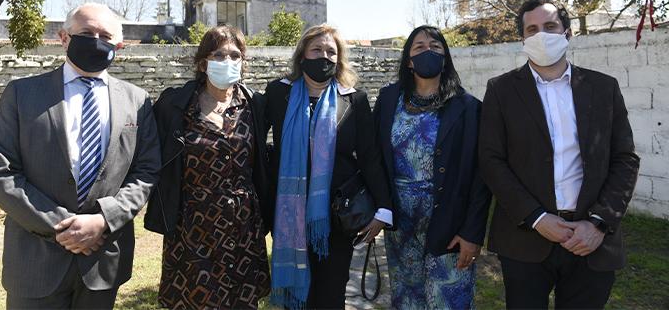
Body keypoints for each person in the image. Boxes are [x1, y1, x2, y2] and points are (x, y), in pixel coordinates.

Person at [0, 2, 161, 309]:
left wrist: (103, 220)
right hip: (35, 261)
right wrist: (64, 226)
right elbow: (0, 174)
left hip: (102, 261)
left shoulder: (137, 101)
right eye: (86, 32)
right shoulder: (21, 94)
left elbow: (146, 171)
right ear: (63, 37)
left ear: (118, 45)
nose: (96, 40)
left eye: (105, 35)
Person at [479, 0, 640, 309]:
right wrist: (537, 218)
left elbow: (624, 158)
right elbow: (491, 160)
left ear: (567, 33)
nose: (542, 35)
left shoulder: (603, 87)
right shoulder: (501, 90)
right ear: (522, 39)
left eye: (550, 26)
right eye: (532, 29)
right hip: (525, 239)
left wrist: (598, 223)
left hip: (591, 241)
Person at [264, 24, 392, 309]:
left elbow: (369, 157)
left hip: (335, 218)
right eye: (317, 50)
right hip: (288, 215)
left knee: (331, 295)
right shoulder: (277, 94)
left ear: (339, 58)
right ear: (302, 55)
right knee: (297, 298)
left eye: (331, 52)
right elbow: (259, 150)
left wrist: (384, 208)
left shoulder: (353, 99)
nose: (324, 56)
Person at [144, 26, 272, 309]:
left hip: (243, 225)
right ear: (203, 62)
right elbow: (148, 152)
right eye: (219, 54)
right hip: (192, 225)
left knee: (242, 300)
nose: (228, 61)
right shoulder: (175, 105)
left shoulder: (255, 105)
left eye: (235, 55)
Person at [374, 25, 491, 309]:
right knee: (407, 301)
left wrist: (472, 233)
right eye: (419, 47)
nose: (428, 51)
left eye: (436, 47)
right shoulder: (389, 100)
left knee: (448, 300)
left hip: (450, 224)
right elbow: (375, 158)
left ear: (446, 57)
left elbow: (481, 176)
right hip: (401, 227)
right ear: (409, 61)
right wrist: (378, 208)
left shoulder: (468, 108)